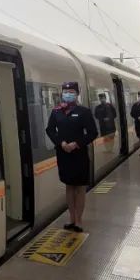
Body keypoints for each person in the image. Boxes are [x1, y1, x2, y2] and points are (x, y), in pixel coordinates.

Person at [45, 82, 98, 233]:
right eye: (66, 91)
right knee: (69, 186)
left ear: (77, 93)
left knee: (80, 187)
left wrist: (76, 144)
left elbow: (93, 133)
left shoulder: (84, 112)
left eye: (71, 91)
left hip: (79, 154)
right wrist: (60, 142)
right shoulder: (56, 111)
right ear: (62, 93)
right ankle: (71, 218)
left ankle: (79, 220)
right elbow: (50, 130)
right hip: (63, 154)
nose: (68, 94)